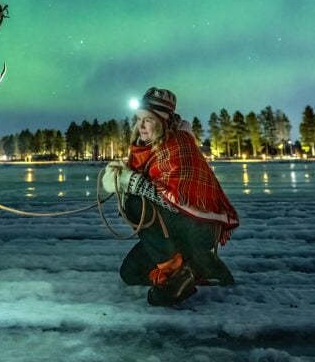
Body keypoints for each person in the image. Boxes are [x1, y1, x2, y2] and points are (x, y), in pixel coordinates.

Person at [102, 87, 239, 306]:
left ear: (163, 121)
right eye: (138, 119)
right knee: (130, 273)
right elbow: (146, 180)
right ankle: (199, 266)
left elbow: (179, 201)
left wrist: (136, 184)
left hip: (198, 228)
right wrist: (122, 176)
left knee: (135, 203)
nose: (141, 126)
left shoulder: (179, 145)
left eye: (147, 120)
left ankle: (175, 275)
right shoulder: (147, 148)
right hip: (175, 231)